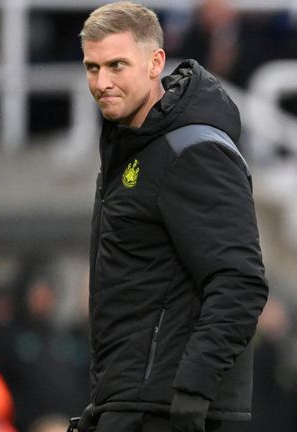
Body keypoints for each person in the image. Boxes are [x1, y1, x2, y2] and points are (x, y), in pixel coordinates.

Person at [74, 2, 268, 432]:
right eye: (92, 67)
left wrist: (194, 389)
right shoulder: (132, 149)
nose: (102, 82)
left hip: (168, 413)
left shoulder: (192, 151)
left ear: (155, 62)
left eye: (116, 65)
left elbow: (240, 281)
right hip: (130, 404)